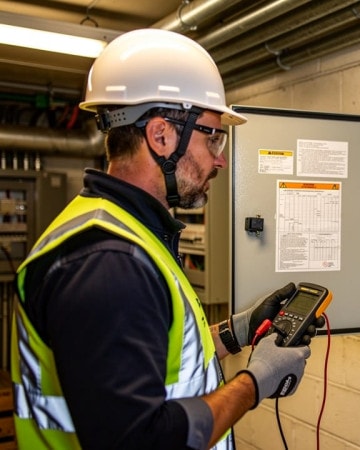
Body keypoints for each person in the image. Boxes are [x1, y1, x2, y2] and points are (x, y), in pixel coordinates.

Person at [10, 29, 312, 449]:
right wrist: (254, 383)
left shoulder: (121, 231)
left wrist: (234, 333)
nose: (220, 158)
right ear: (161, 136)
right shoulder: (107, 262)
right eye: (213, 137)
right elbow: (141, 439)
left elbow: (158, 360)